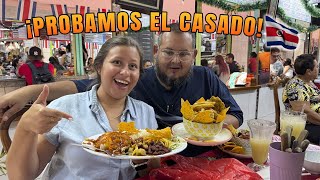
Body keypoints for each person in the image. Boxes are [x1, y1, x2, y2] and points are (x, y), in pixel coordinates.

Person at [0, 23, 243, 156]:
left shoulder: (205, 77)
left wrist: (205, 128)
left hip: (202, 159)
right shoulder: (137, 79)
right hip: (156, 163)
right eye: (169, 52)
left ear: (194, 55)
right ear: (157, 52)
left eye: (183, 54)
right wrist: (27, 93)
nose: (175, 61)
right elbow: (81, 85)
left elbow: (236, 115)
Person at [6, 36, 159, 180]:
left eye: (133, 66)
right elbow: (22, 175)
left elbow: (148, 171)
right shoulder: (65, 107)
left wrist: (142, 162)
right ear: (99, 67)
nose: (125, 72)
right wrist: (26, 128)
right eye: (117, 62)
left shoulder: (146, 113)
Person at [282, 54, 320, 145]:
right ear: (308, 71)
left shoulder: (308, 82)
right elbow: (305, 113)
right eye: (317, 67)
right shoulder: (295, 86)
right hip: (306, 126)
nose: (318, 69)